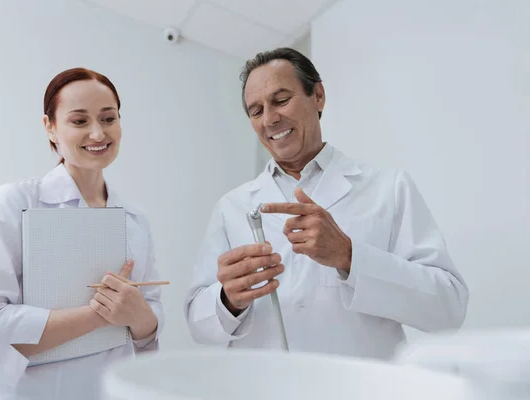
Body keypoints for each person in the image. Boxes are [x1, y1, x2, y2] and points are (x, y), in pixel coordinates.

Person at [184, 48, 469, 359]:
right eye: (256, 111)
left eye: (281, 100)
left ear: (317, 95)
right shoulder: (232, 206)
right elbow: (200, 325)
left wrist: (350, 257)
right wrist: (228, 300)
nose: (269, 118)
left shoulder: (389, 188)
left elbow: (448, 309)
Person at [0, 68, 164, 399]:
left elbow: (147, 332)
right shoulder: (18, 202)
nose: (97, 133)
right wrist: (97, 315)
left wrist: (141, 318)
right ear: (50, 128)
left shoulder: (135, 220)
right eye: (79, 121)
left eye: (108, 119)